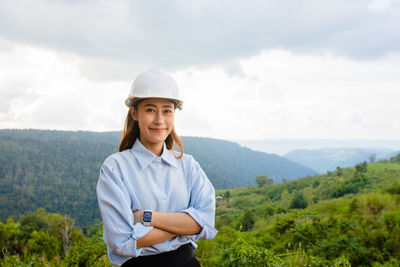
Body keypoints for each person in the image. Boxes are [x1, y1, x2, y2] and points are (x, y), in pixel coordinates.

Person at [96, 68, 217, 267]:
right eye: (150, 109)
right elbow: (121, 241)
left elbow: (207, 224)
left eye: (167, 110)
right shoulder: (115, 168)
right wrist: (185, 224)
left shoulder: (188, 166)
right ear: (134, 113)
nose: (159, 119)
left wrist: (146, 217)